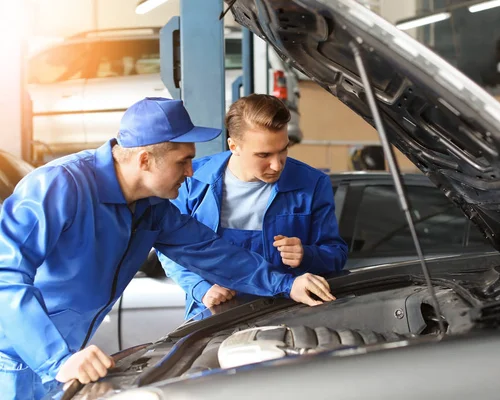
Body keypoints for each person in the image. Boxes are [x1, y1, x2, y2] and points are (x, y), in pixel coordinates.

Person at [0, 97, 335, 399]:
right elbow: (5, 274)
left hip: (62, 360)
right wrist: (55, 359)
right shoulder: (60, 186)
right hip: (13, 360)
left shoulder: (151, 208)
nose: (191, 172)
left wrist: (287, 284)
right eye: (183, 162)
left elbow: (212, 252)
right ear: (146, 160)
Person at [158, 94, 348, 320]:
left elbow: (336, 254)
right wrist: (201, 289)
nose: (277, 165)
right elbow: (171, 249)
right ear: (234, 145)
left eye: (283, 150)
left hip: (289, 313)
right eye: (264, 155)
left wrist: (307, 254)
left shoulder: (312, 184)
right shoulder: (192, 181)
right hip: (214, 316)